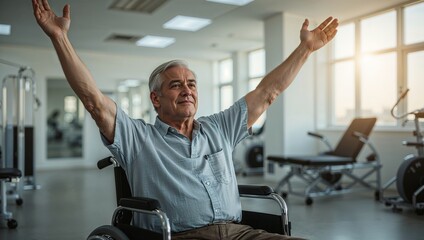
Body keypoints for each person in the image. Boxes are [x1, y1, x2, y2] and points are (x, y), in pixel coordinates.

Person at [32, 0, 338, 239]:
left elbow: (268, 92)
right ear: (156, 99)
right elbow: (93, 101)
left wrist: (305, 49)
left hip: (240, 233)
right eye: (175, 85)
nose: (187, 90)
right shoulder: (139, 138)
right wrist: (60, 37)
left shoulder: (219, 128)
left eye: (191, 84)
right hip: (179, 236)